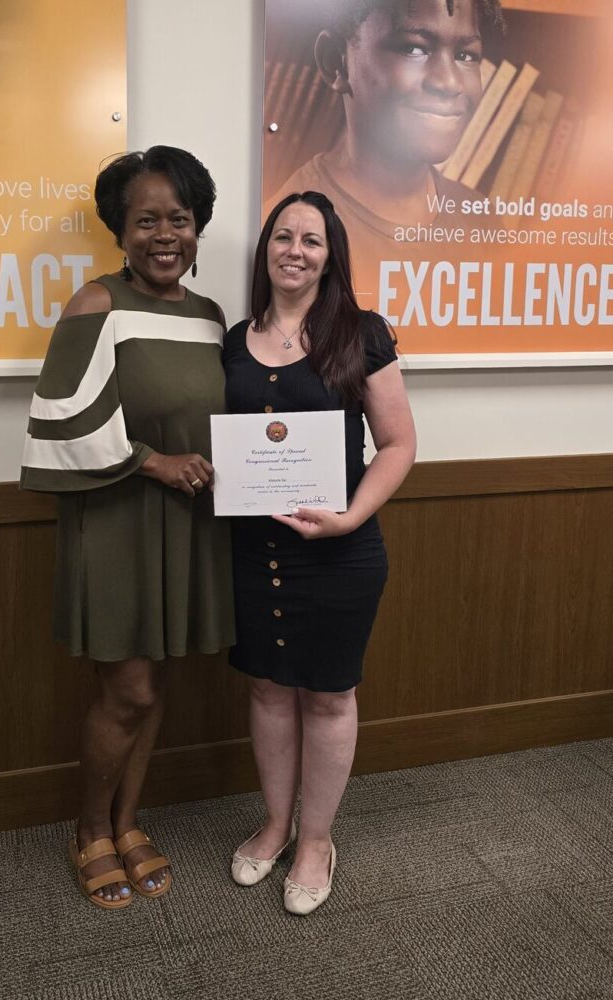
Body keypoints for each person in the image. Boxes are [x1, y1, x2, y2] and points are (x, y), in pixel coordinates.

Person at [21, 146, 234, 909]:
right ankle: (90, 832)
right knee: (129, 689)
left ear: (198, 226)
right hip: (116, 519)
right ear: (121, 229)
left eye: (179, 218)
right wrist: (155, 462)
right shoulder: (97, 305)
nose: (164, 234)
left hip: (187, 527)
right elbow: (61, 422)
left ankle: (129, 822)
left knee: (158, 680)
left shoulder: (211, 319)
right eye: (146, 220)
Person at [224, 190, 416, 914]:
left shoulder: (359, 333)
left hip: (340, 553)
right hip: (253, 550)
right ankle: (275, 825)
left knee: (330, 694)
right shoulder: (233, 338)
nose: (295, 250)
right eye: (283, 236)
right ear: (266, 248)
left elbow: (398, 445)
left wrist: (347, 517)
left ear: (331, 254)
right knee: (269, 687)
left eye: (311, 239)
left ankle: (316, 839)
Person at [268, 0, 505, 286]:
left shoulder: (482, 220)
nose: (449, 82)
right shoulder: (287, 231)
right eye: (414, 48)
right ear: (335, 62)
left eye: (466, 55)